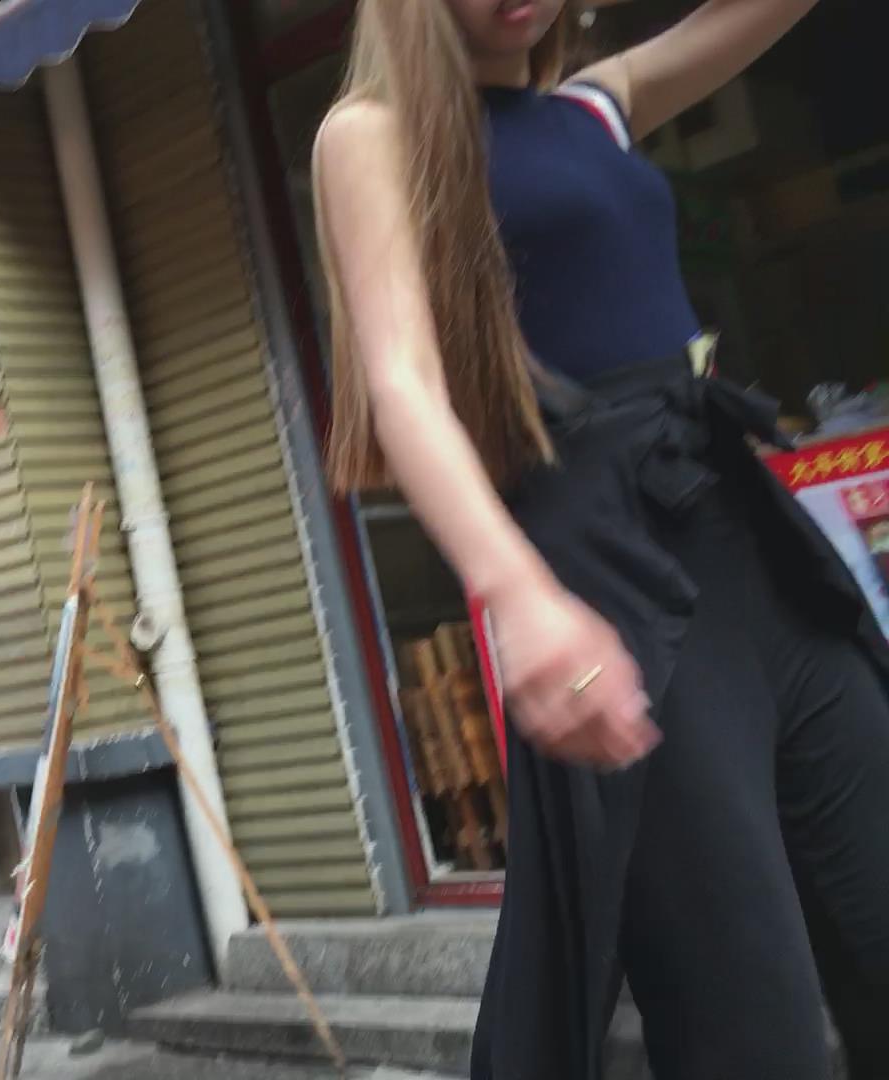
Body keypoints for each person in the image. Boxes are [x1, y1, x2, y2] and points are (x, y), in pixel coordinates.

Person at [311, 1, 885, 1078]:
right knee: (753, 1025)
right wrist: (517, 594)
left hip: (744, 529)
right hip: (615, 579)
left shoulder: (598, 104)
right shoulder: (369, 132)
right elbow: (402, 383)